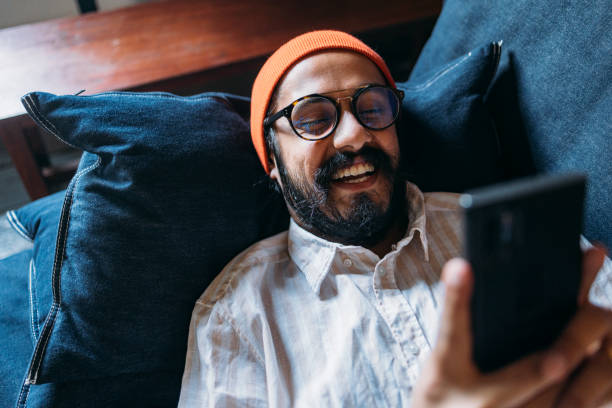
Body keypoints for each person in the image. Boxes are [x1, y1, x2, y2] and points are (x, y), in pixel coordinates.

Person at [178, 30, 612, 407]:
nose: (354, 135)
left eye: (373, 109)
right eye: (312, 119)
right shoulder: (237, 316)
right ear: (272, 158)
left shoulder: (512, 231)